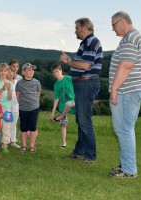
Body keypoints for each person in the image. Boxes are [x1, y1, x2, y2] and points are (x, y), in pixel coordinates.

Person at [107, 11, 141, 178]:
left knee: (125, 129)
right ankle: (126, 165)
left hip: (128, 90)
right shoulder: (129, 38)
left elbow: (126, 66)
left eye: (113, 25)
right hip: (127, 89)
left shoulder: (131, 38)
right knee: (122, 129)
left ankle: (130, 170)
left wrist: (114, 89)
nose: (113, 29)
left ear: (122, 22)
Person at [60, 17, 103, 163]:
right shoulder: (86, 42)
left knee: (84, 121)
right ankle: (79, 151)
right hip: (82, 84)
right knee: (81, 119)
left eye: (77, 28)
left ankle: (90, 155)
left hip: (86, 84)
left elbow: (85, 66)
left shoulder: (91, 42)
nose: (75, 31)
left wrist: (68, 61)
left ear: (84, 28)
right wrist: (71, 62)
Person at [15, 63, 41, 153]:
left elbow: (38, 94)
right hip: (23, 108)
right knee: (23, 127)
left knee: (33, 127)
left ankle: (32, 146)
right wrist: (23, 104)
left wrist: (33, 103)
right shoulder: (19, 83)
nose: (31, 71)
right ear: (23, 72)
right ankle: (24, 146)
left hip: (34, 108)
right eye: (29, 69)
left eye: (32, 69)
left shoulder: (37, 82)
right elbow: (18, 96)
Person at [49, 64, 75, 148]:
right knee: (63, 124)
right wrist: (52, 113)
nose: (56, 73)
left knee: (81, 121)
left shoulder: (68, 78)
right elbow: (56, 99)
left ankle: (61, 116)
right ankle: (64, 143)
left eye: (57, 71)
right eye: (54, 72)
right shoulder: (56, 85)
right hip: (63, 106)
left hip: (74, 101)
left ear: (61, 70)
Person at [7, 65, 21, 149]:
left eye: (12, 71)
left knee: (14, 123)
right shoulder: (4, 82)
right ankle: (4, 140)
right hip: (6, 106)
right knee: (5, 124)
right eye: (8, 71)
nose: (11, 73)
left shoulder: (17, 82)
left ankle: (13, 141)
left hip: (16, 105)